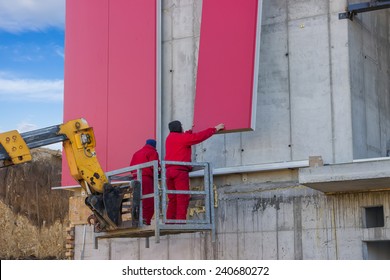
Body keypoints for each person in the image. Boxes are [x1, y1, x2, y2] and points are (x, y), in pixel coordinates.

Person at [165, 120, 225, 221]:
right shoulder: (182, 138)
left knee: (173, 199)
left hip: (169, 171)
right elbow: (198, 137)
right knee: (182, 198)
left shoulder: (169, 138)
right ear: (179, 127)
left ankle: (170, 222)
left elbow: (184, 138)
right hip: (180, 171)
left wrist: (190, 131)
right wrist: (214, 129)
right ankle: (180, 222)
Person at [130, 139, 160, 225]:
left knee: (137, 200)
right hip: (146, 179)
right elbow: (155, 168)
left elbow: (131, 167)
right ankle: (146, 220)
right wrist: (160, 174)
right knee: (149, 200)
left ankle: (137, 219)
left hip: (135, 180)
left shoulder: (136, 153)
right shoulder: (152, 152)